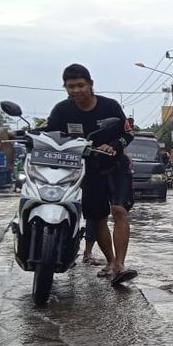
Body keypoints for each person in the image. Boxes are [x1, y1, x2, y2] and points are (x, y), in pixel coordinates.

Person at [44, 63, 137, 286]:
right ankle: (111, 262)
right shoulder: (62, 110)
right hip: (86, 170)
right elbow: (47, 132)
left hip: (116, 166)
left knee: (119, 210)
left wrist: (113, 145)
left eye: (80, 85)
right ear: (65, 88)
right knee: (97, 219)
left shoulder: (110, 106)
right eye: (71, 86)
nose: (76, 90)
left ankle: (121, 265)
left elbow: (129, 134)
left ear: (90, 84)